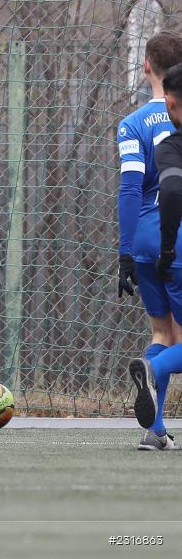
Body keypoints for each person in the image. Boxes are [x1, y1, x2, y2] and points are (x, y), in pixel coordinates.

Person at [116, 32, 182, 450]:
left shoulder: (133, 122)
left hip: (142, 238)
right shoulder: (176, 123)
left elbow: (129, 188)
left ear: (146, 66)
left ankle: (154, 432)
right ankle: (152, 373)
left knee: (163, 334)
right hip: (176, 238)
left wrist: (125, 251)